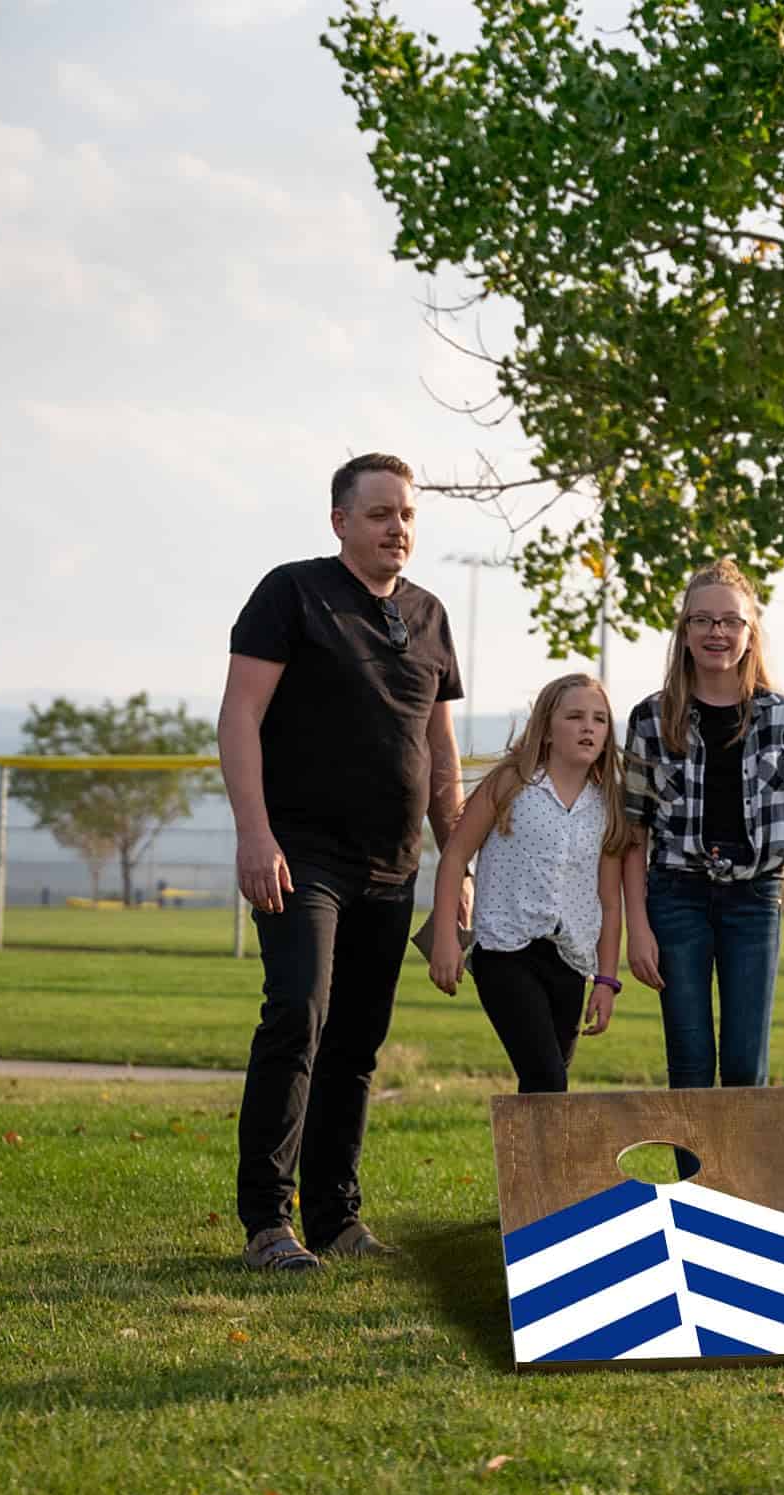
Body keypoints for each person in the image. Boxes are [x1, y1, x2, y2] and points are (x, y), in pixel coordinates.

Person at [218, 452, 469, 1272]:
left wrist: (454, 864)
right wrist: (255, 835)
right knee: (298, 1013)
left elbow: (439, 750)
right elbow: (240, 717)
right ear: (339, 522)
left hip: (391, 867)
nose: (396, 528)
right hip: (302, 857)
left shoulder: (429, 615)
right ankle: (267, 1222)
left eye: (406, 516)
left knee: (358, 1041)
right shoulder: (291, 593)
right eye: (378, 514)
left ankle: (336, 1217)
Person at [623, 557, 784, 1101]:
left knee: (743, 1065)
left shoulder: (780, 718)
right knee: (690, 1063)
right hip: (676, 897)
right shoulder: (651, 718)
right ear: (685, 633)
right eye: (703, 620)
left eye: (730, 621)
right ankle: (692, 1185)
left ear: (749, 633)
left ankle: (737, 1189)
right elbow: (632, 831)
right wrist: (637, 926)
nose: (717, 632)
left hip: (754, 899)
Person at [426, 673, 628, 1092]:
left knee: (544, 1089)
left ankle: (533, 1160)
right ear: (548, 729)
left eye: (599, 720)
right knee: (547, 1080)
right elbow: (455, 857)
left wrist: (606, 981)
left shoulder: (608, 806)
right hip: (505, 953)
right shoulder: (511, 784)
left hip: (571, 962)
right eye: (574, 717)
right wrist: (446, 937)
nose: (588, 727)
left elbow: (611, 902)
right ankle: (548, 1159)